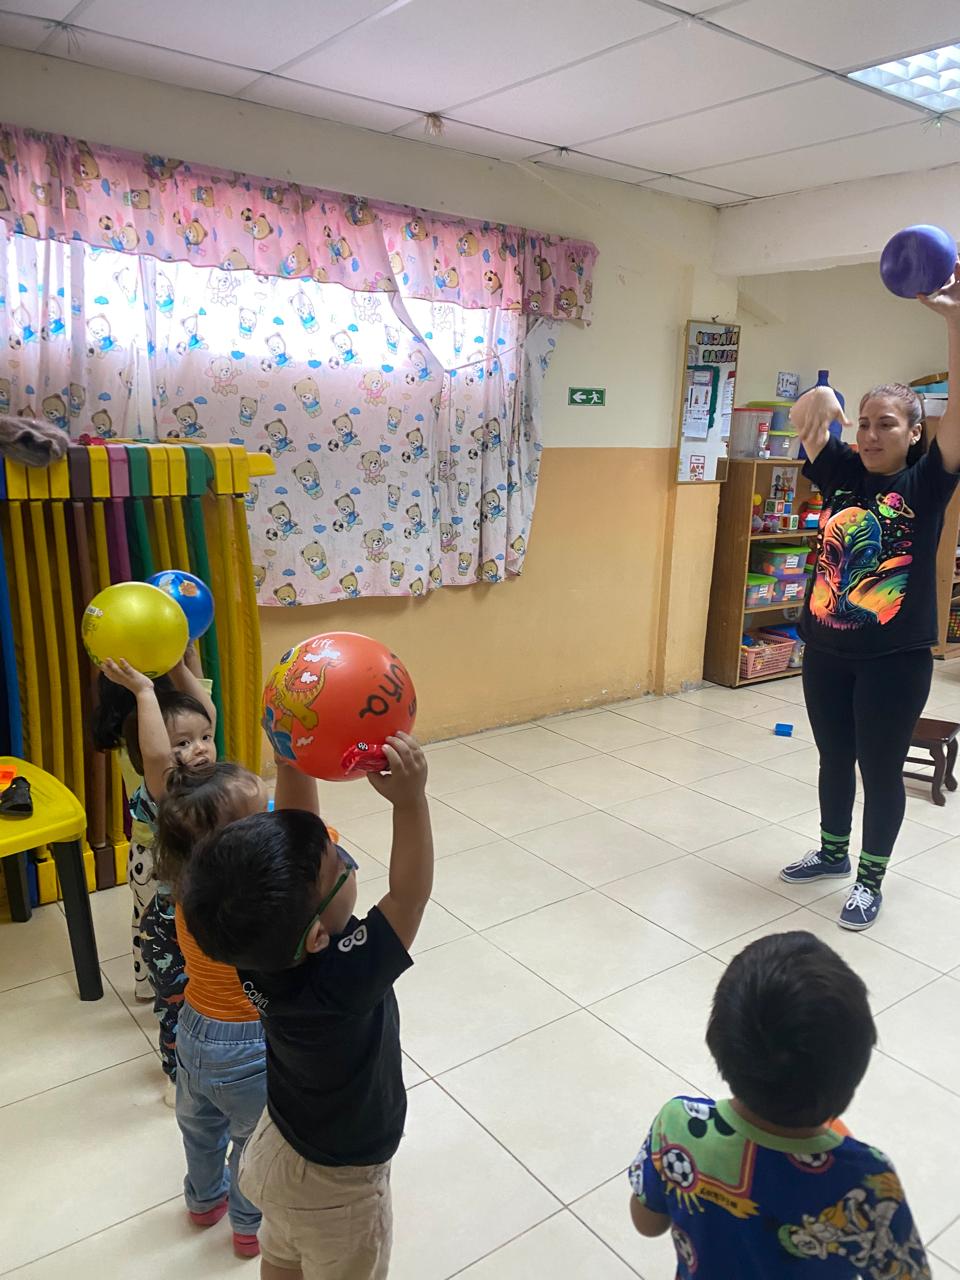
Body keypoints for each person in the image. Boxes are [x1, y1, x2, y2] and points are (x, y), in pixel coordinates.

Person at [180, 732, 432, 1280]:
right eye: (340, 864)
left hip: (278, 1148)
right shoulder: (342, 982)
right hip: (339, 1186)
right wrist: (410, 802)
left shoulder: (251, 949)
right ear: (317, 935)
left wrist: (291, 760)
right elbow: (409, 897)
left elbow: (297, 831)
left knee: (282, 1255)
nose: (346, 861)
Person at [779, 273, 960, 929]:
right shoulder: (843, 471)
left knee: (879, 770)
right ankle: (832, 854)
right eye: (864, 423)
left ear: (915, 434)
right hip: (826, 649)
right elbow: (806, 417)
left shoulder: (926, 483)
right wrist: (823, 397)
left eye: (887, 424)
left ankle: (869, 880)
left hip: (894, 659)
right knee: (834, 757)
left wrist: (954, 323)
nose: (872, 434)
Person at [627, 931, 930, 1278]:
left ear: (720, 1043)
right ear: (852, 1072)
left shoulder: (679, 1126)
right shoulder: (867, 1179)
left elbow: (646, 1223)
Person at [156, 757, 344, 1260]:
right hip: (247, 1048)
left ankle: (202, 1201)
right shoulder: (255, 910)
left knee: (198, 1129)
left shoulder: (188, 892)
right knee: (251, 1143)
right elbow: (317, 844)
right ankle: (246, 1227)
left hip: (192, 1032)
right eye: (261, 816)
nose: (272, 817)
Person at [98, 651, 217, 1101]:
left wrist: (180, 667)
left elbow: (207, 713)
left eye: (204, 739)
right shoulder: (168, 795)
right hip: (173, 927)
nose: (199, 748)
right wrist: (145, 691)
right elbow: (156, 754)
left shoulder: (216, 779)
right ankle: (176, 1074)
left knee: (220, 995)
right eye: (182, 744)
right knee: (176, 1005)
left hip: (215, 914)